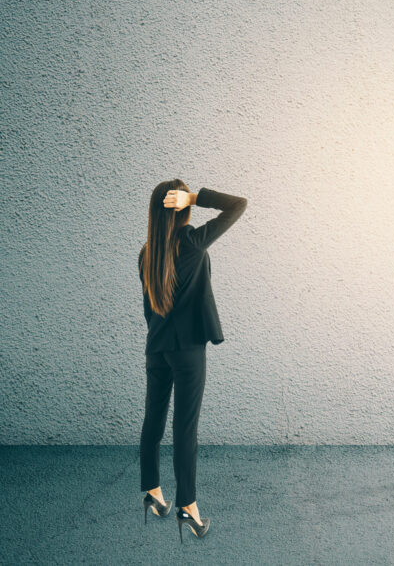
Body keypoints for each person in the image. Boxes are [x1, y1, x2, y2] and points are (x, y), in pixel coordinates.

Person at [138, 180, 247, 540]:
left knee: (153, 421)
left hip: (157, 347)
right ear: (182, 208)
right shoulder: (192, 242)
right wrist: (198, 197)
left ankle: (152, 493)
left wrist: (161, 337)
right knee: (185, 430)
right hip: (187, 351)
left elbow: (149, 310)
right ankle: (188, 508)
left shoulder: (146, 252)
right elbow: (238, 204)